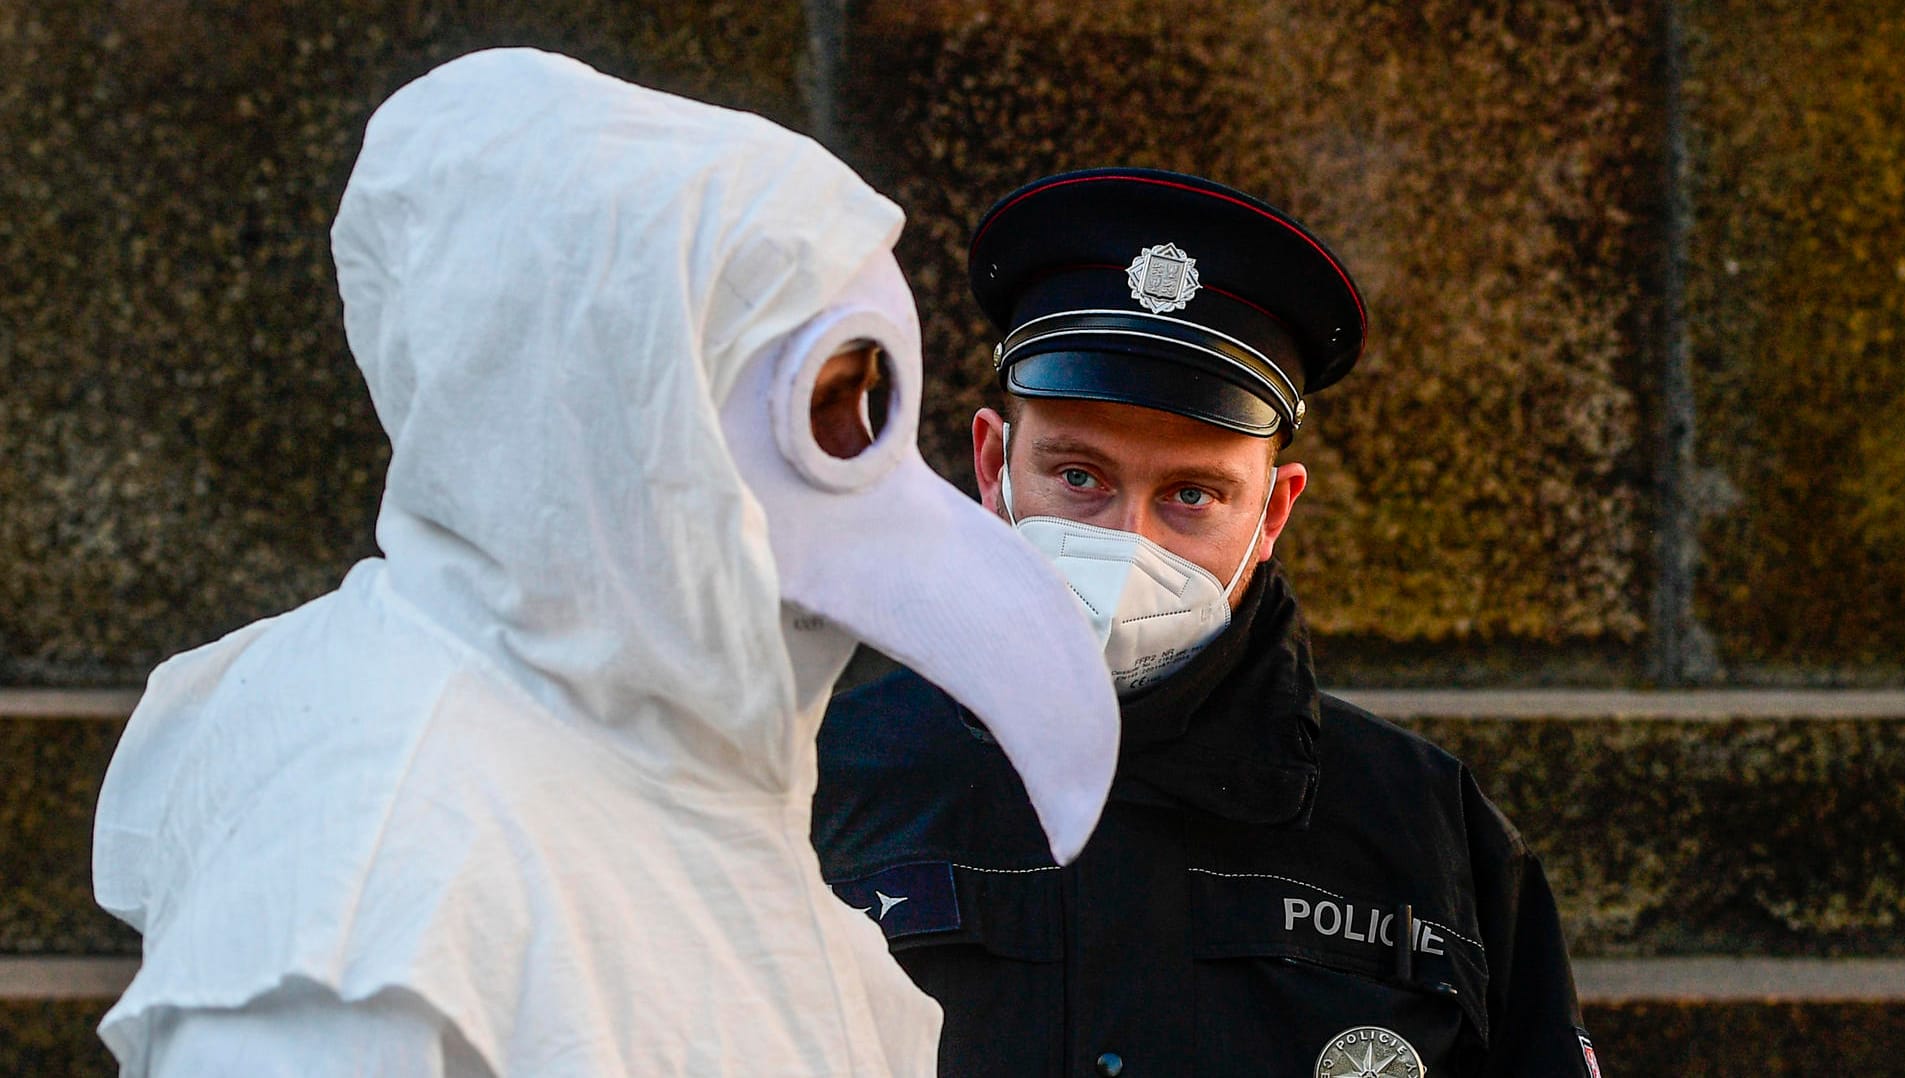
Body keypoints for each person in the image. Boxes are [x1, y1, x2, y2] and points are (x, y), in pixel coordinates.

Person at [90, 50, 1124, 1076]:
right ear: (610, 403)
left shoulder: (663, 750)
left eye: (870, 395)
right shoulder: (367, 869)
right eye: (821, 401)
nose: (855, 449)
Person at [812, 168, 1601, 1077]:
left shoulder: (1427, 831)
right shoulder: (827, 780)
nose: (1126, 540)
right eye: (1079, 478)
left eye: (1192, 494)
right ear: (994, 466)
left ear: (1271, 514)